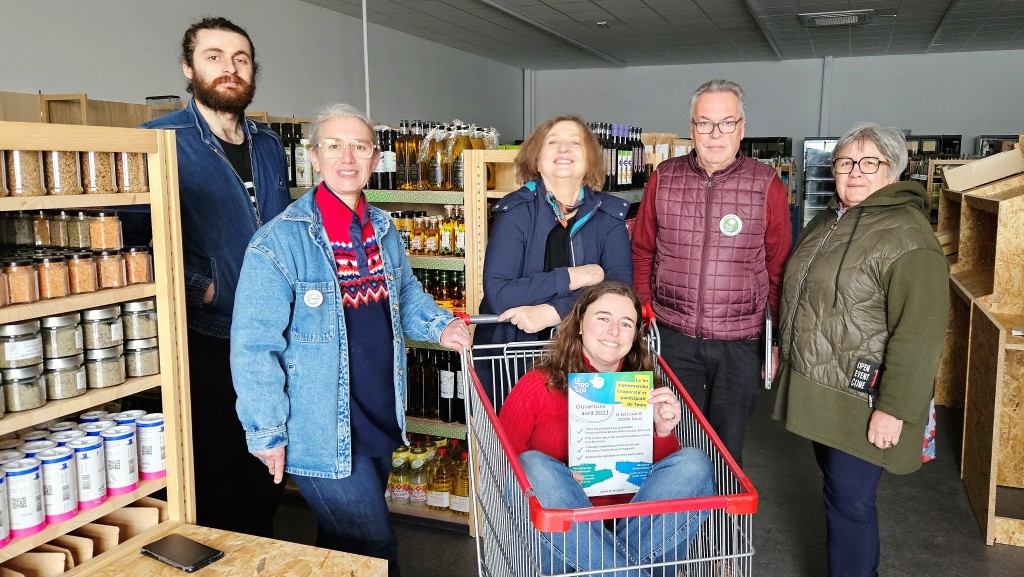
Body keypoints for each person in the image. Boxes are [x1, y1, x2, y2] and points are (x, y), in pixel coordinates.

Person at [230, 103, 471, 577]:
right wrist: (266, 431)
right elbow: (255, 345)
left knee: (339, 550)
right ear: (315, 157)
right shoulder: (277, 242)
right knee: (373, 547)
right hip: (319, 430)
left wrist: (440, 324)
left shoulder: (382, 229)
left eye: (359, 146)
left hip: (378, 416)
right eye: (334, 145)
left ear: (375, 159)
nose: (347, 157)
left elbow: (405, 294)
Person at [772, 123, 948, 577]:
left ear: (893, 170)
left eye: (869, 163)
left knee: (849, 502)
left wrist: (894, 408)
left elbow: (920, 334)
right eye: (846, 162)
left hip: (864, 397)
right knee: (837, 491)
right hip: (822, 386)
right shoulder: (829, 219)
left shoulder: (910, 236)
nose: (854, 173)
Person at [139, 17, 291, 536]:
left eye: (240, 58)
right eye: (214, 56)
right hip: (207, 338)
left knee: (264, 473)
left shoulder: (269, 144)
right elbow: (130, 240)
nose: (229, 68)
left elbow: (284, 227)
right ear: (189, 68)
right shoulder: (159, 142)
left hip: (272, 334)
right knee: (218, 476)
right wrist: (200, 285)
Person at [499, 281, 715, 577]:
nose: (614, 332)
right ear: (579, 324)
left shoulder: (646, 389)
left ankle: (611, 567)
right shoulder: (537, 385)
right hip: (565, 538)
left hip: (638, 528)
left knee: (694, 463)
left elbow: (668, 487)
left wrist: (662, 431)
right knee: (531, 466)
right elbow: (501, 468)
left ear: (635, 335)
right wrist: (561, 479)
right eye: (603, 318)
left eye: (626, 323)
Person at [631, 79, 792, 466]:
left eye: (726, 123)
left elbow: (778, 268)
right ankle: (678, 525)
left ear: (742, 128)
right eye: (705, 123)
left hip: (741, 342)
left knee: (726, 444)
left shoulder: (766, 184)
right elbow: (642, 251)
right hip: (671, 336)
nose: (715, 133)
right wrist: (645, 315)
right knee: (671, 435)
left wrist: (774, 340)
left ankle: (722, 524)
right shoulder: (664, 178)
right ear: (692, 128)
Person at [476, 115, 633, 350]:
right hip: (511, 357)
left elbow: (620, 294)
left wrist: (552, 312)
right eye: (552, 142)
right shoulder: (515, 212)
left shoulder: (609, 217)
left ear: (590, 160)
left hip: (584, 358)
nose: (563, 148)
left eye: (575, 142)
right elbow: (500, 295)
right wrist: (575, 276)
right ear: (536, 160)